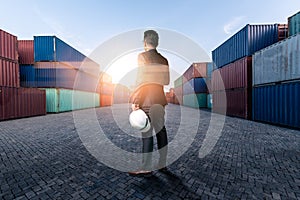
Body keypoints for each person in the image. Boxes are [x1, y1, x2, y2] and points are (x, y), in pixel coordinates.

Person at [129, 30, 169, 176]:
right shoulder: (164, 60)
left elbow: (141, 79)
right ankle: (162, 164)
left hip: (146, 100)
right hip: (159, 100)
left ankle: (146, 167)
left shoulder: (142, 56)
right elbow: (166, 81)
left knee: (147, 133)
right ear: (157, 42)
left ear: (145, 42)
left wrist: (136, 100)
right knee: (161, 132)